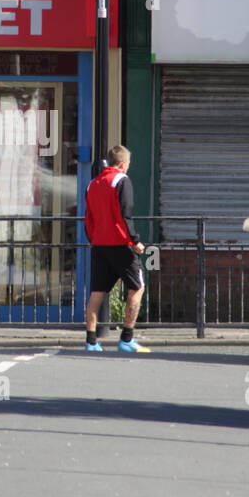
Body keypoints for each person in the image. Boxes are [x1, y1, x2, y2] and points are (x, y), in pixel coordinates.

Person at [83, 145, 147, 352]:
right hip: (121, 244)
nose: (128, 168)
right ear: (122, 164)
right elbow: (125, 214)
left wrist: (94, 239)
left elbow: (89, 218)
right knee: (137, 288)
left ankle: (91, 342)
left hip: (100, 245)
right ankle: (126, 338)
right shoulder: (122, 181)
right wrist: (134, 239)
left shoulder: (92, 184)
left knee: (97, 293)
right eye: (128, 164)